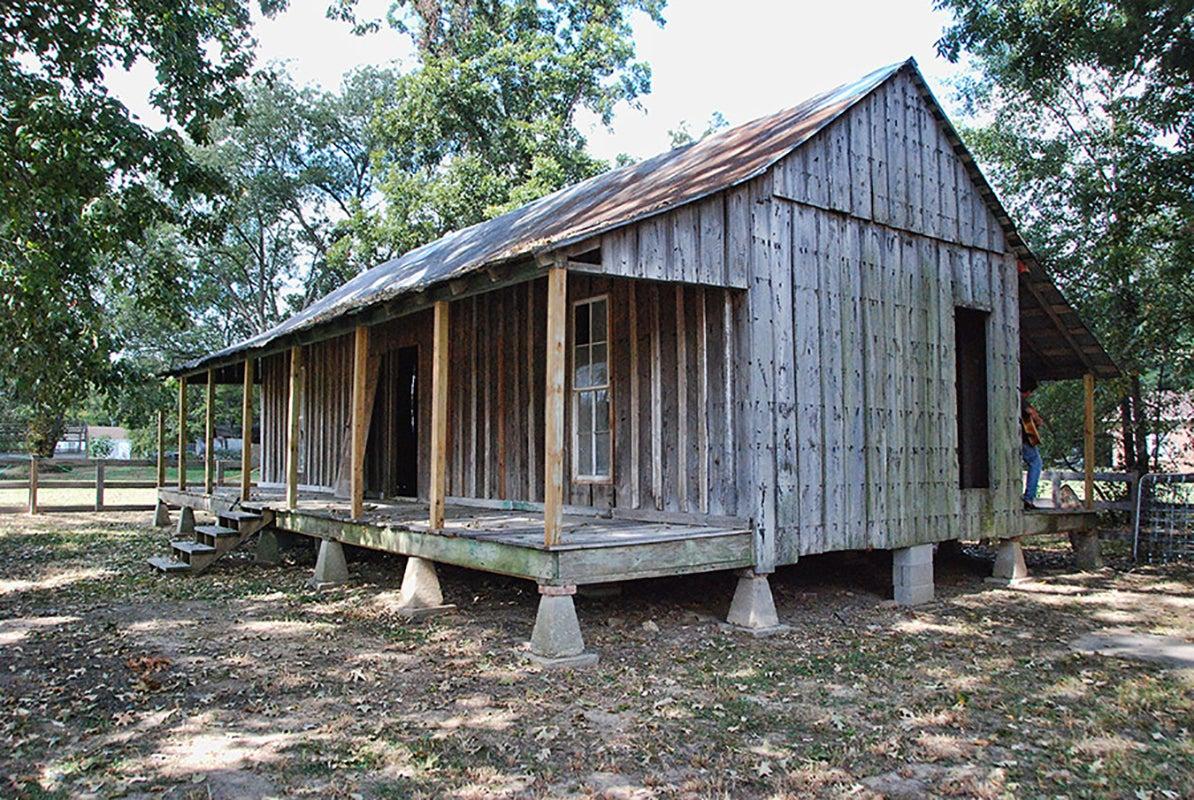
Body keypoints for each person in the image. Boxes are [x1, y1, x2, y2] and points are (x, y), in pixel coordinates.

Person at [1021, 379, 1045, 508]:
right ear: (1028, 392)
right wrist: (1038, 421)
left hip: (1018, 439)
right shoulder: (1021, 400)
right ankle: (1029, 497)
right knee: (1036, 462)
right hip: (1024, 440)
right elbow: (1032, 413)